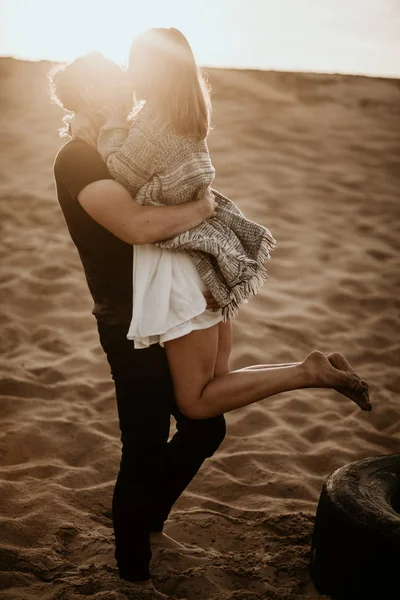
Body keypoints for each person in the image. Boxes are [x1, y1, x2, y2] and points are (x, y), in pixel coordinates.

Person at [51, 30, 372, 598]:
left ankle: (148, 521)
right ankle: (133, 572)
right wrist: (202, 206)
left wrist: (197, 203)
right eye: (115, 84)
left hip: (178, 293)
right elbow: (135, 225)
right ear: (92, 96)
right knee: (147, 444)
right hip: (130, 321)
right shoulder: (78, 159)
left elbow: (169, 168)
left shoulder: (117, 141)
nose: (127, 90)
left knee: (204, 426)